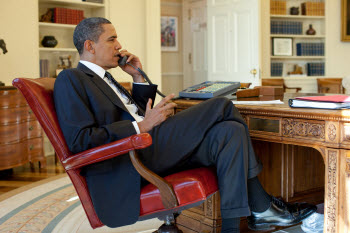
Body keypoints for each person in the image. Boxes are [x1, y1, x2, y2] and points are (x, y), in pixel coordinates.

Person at [53, 17, 316, 232]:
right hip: (130, 160)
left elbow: (131, 113)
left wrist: (138, 77)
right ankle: (261, 205)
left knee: (229, 132)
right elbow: (81, 140)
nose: (119, 45)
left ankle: (236, 227)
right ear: (89, 45)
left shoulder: (106, 78)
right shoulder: (72, 78)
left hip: (147, 144)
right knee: (222, 106)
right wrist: (142, 127)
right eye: (111, 39)